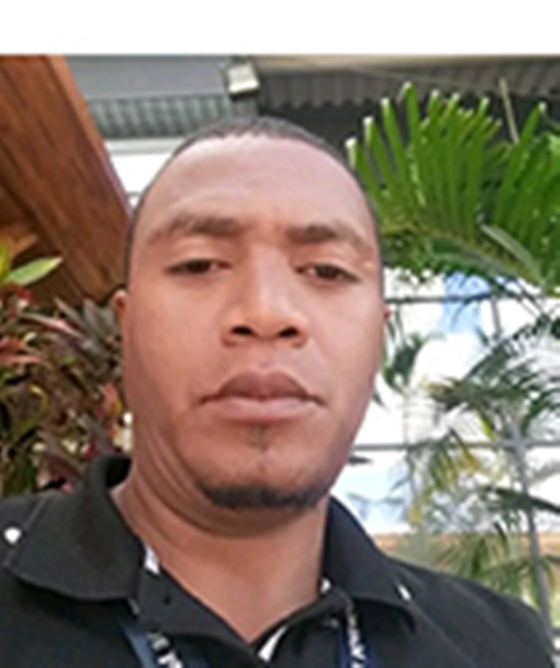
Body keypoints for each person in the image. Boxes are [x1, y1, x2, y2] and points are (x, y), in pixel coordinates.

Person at [0, 116, 554, 668]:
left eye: (327, 271)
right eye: (199, 264)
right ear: (126, 327)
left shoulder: (496, 646)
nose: (265, 312)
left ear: (378, 338)